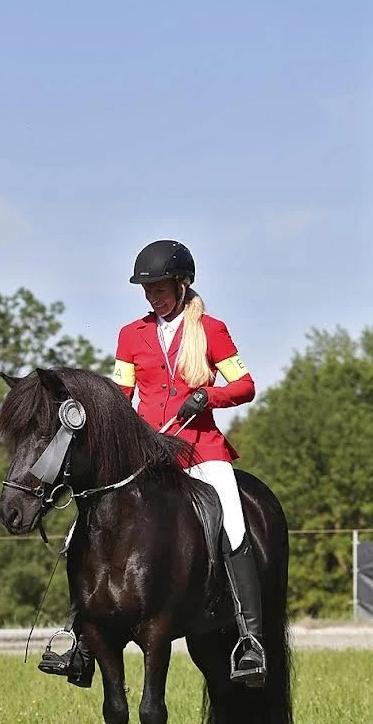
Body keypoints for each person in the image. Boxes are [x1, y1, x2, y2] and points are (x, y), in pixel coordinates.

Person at [40, 239, 265, 686]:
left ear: (183, 285)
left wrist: (209, 395)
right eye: (146, 289)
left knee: (235, 523)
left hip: (201, 450)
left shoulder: (212, 330)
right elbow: (123, 396)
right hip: (146, 452)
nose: (152, 296)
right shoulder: (131, 335)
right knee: (79, 533)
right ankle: (80, 639)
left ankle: (249, 639)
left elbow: (246, 385)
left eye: (160, 287)